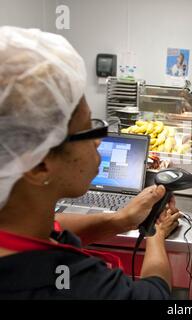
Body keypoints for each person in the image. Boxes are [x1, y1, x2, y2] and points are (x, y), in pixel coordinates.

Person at [0, 26, 181, 299]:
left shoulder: (18, 216)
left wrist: (120, 220)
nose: (99, 142)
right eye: (89, 130)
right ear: (38, 164)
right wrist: (155, 232)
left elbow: (54, 227)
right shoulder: (71, 286)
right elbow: (154, 294)